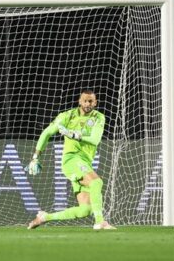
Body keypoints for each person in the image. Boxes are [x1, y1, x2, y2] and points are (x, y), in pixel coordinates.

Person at [25, 89, 116, 230]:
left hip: (84, 162)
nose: (88, 103)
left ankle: (45, 217)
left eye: (91, 101)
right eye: (85, 100)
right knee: (96, 182)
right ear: (80, 101)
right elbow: (46, 133)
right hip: (71, 160)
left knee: (84, 210)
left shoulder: (99, 117)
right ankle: (100, 221)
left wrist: (74, 135)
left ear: (95, 102)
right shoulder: (67, 116)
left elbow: (95, 139)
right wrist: (35, 157)